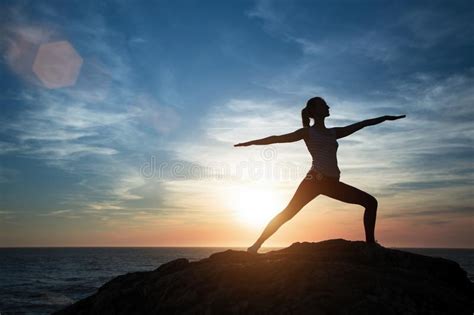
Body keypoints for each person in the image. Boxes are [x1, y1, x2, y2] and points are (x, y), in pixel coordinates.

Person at [234, 97, 405, 254]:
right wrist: (249, 143)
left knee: (371, 203)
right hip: (314, 181)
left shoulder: (333, 132)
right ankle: (255, 246)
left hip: (331, 183)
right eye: (324, 105)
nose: (328, 106)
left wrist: (385, 118)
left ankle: (370, 246)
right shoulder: (307, 132)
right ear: (315, 111)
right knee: (288, 213)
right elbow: (277, 138)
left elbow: (362, 124)